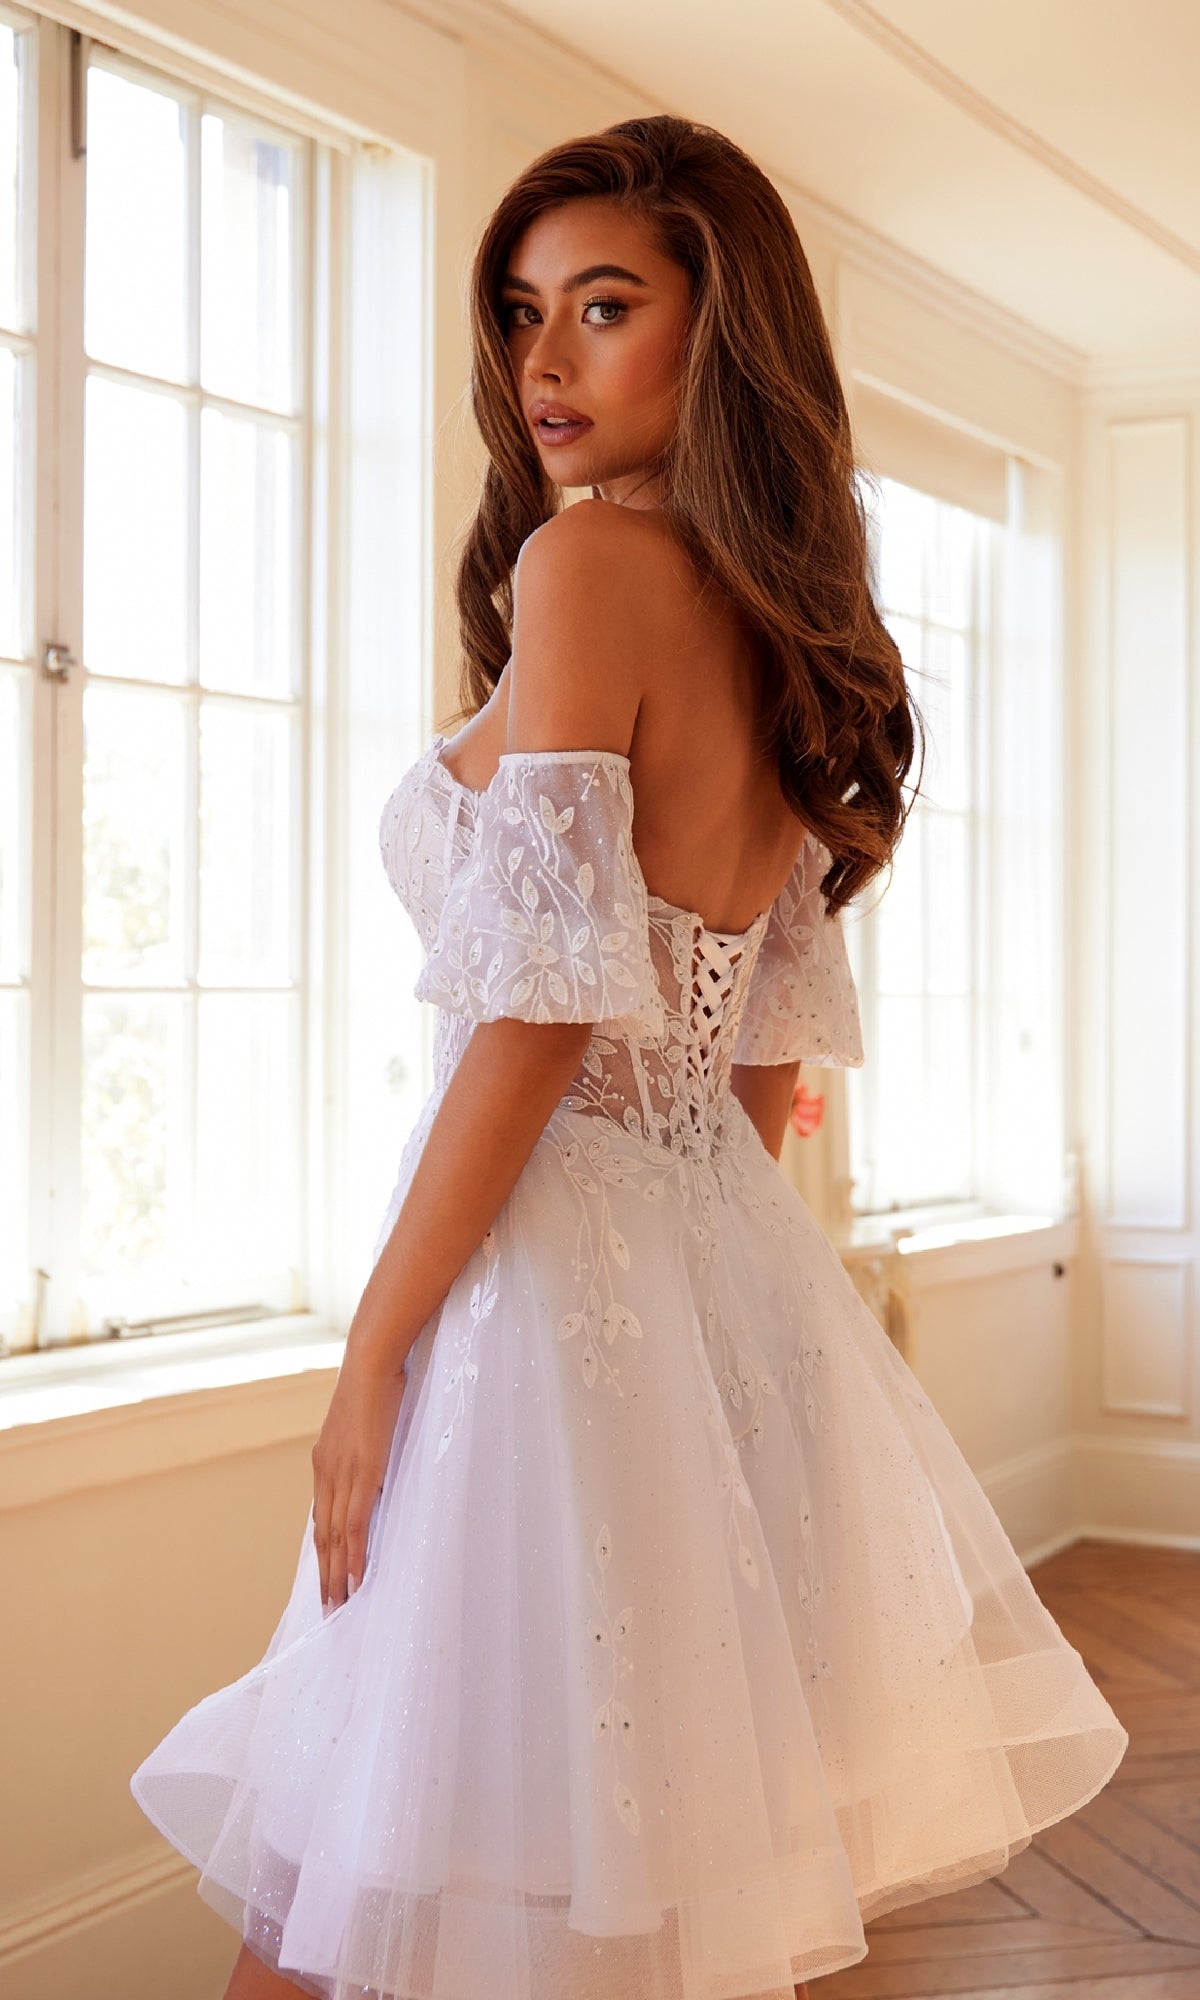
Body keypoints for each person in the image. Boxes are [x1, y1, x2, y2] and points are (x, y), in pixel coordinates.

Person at [131, 115, 1128, 2000]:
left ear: (717, 332)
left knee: (363, 1897)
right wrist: (687, 1306)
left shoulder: (588, 567)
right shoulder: (786, 626)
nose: (545, 362)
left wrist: (378, 1347)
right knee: (606, 1886)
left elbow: (536, 1014)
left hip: (529, 1295)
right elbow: (755, 1067)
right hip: (714, 1290)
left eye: (607, 305)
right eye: (524, 314)